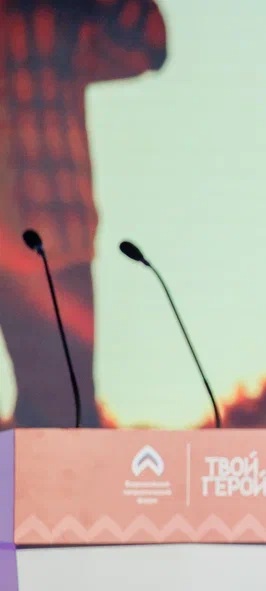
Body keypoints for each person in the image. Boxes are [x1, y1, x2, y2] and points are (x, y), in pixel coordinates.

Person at [0, 0, 167, 427]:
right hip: (46, 235)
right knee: (59, 414)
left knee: (63, 411)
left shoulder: (53, 19)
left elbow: (150, 44)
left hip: (53, 237)